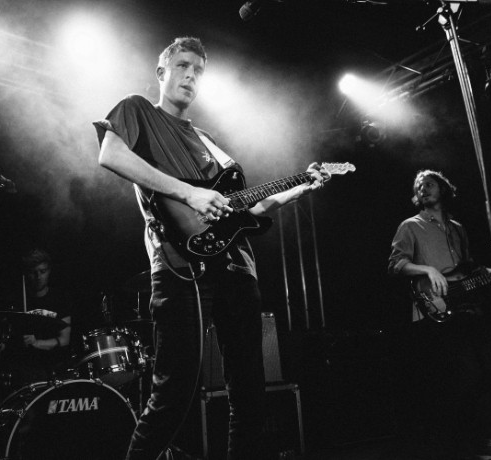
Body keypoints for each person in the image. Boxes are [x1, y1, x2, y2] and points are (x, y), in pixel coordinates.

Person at [94, 37, 330, 460]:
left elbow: (247, 207)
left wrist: (300, 187)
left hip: (236, 269)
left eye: (198, 71)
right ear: (161, 72)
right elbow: (110, 155)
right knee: (174, 392)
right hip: (180, 266)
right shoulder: (137, 110)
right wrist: (189, 193)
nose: (191, 76)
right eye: (182, 66)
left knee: (250, 393)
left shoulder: (208, 140)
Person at [387, 170, 491, 460]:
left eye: (429, 184)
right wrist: (428, 269)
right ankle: (456, 444)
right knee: (467, 373)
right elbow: (395, 264)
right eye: (418, 186)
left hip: (468, 308)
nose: (423, 188)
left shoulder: (457, 228)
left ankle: (485, 441)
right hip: (436, 309)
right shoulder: (410, 226)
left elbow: (471, 270)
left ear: (443, 188)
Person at [0, 248, 73, 385]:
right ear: (26, 274)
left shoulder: (59, 300)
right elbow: (6, 339)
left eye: (42, 271)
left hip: (53, 369)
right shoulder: (16, 302)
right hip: (22, 370)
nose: (38, 276)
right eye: (33, 272)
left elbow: (65, 340)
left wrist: (36, 343)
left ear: (49, 271)